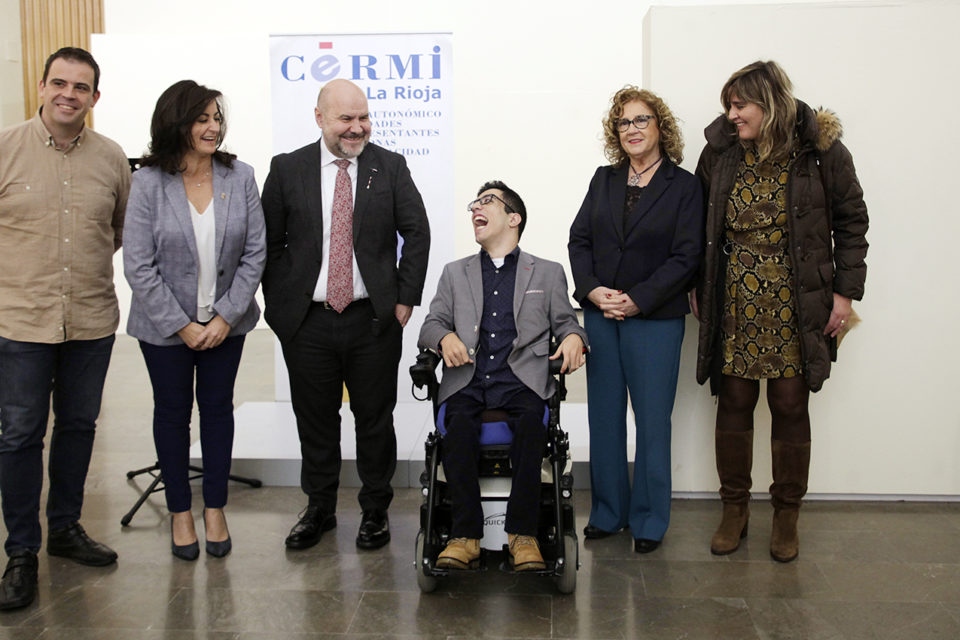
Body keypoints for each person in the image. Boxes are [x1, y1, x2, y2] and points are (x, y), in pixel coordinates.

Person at [693, 61, 868, 562]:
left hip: (797, 296)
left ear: (768, 104)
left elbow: (852, 223)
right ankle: (735, 510)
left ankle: (786, 515)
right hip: (734, 294)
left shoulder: (822, 152)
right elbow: (698, 221)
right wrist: (696, 282)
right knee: (734, 400)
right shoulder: (721, 152)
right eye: (728, 105)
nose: (731, 115)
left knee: (791, 403)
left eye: (739, 105)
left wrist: (844, 293)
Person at [262, 79, 430, 551]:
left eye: (363, 118)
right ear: (320, 118)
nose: (357, 128)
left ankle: (375, 511)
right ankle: (319, 508)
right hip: (307, 323)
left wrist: (404, 299)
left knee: (374, 419)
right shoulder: (287, 169)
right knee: (314, 420)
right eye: (346, 119)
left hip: (372, 320)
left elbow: (416, 233)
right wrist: (281, 310)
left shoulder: (389, 167)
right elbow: (269, 244)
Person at [0, 47, 130, 610]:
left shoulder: (112, 159)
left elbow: (118, 230)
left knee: (78, 427)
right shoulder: (6, 149)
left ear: (94, 98)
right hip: (20, 323)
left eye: (81, 87)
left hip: (91, 320)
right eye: (60, 83)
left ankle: (65, 529)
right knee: (21, 435)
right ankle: (21, 552)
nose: (68, 95)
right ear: (43, 86)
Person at [123, 81, 266, 561]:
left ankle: (215, 508)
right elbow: (138, 264)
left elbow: (255, 253)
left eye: (217, 118)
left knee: (218, 411)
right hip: (164, 328)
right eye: (202, 118)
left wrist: (226, 316)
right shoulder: (146, 182)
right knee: (172, 414)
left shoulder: (239, 176)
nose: (212, 127)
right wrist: (182, 325)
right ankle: (180, 513)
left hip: (228, 324)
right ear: (176, 122)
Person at [420, 180, 586, 570]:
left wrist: (577, 337)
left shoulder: (546, 273)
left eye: (487, 201)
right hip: (468, 380)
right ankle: (464, 536)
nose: (476, 208)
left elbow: (566, 323)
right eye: (474, 203)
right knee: (457, 426)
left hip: (521, 382)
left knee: (532, 424)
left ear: (514, 218)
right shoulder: (454, 273)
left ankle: (523, 535)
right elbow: (431, 324)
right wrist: (443, 337)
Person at [568, 87, 703, 553]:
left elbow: (687, 257)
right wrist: (590, 290)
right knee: (604, 419)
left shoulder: (683, 186)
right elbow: (578, 241)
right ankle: (608, 512)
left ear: (660, 126)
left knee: (651, 422)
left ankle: (648, 519)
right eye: (624, 122)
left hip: (655, 321)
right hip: (601, 317)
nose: (632, 129)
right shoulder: (603, 180)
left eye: (641, 120)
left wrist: (638, 299)